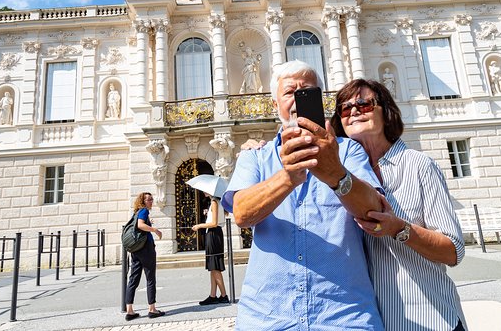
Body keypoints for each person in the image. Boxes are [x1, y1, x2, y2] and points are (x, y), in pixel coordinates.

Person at [222, 60, 385, 330]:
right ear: (275, 105)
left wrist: (335, 173)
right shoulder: (256, 157)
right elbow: (241, 213)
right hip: (268, 317)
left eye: (306, 91)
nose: (298, 98)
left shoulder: (348, 151)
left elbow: (373, 211)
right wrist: (287, 177)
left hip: (344, 317)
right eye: (289, 92)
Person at [330, 79, 466, 331]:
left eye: (364, 104)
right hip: (362, 321)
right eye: (345, 108)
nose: (354, 111)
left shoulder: (419, 165)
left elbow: (453, 251)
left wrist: (399, 229)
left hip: (430, 317)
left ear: (386, 112)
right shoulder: (338, 177)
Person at [125, 192, 165, 321]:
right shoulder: (143, 211)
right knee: (150, 278)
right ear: (143, 201)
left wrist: (149, 224)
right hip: (146, 249)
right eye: (149, 199)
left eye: (152, 199)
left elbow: (140, 225)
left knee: (133, 279)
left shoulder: (136, 212)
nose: (152, 201)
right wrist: (155, 230)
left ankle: (129, 310)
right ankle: (152, 309)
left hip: (136, 250)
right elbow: (140, 225)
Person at [191, 191, 229, 305]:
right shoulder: (216, 202)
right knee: (213, 267)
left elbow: (214, 223)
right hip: (214, 234)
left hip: (213, 234)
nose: (203, 191)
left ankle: (223, 295)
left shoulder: (214, 202)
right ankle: (213, 295)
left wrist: (199, 225)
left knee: (215, 266)